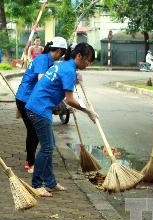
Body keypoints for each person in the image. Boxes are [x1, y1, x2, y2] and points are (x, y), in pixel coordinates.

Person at [25, 42, 98, 197]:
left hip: (36, 106)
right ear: (79, 56)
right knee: (47, 148)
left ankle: (50, 182)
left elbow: (57, 89)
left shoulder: (63, 65)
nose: (88, 64)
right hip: (39, 109)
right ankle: (36, 185)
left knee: (49, 145)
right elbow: (70, 99)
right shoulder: (69, 70)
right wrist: (87, 110)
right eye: (88, 60)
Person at [15, 36, 68, 173]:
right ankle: (30, 163)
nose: (62, 56)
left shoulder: (49, 61)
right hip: (26, 98)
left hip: (31, 98)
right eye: (62, 53)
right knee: (33, 131)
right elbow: (41, 82)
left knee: (34, 131)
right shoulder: (43, 60)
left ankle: (31, 161)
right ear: (58, 51)